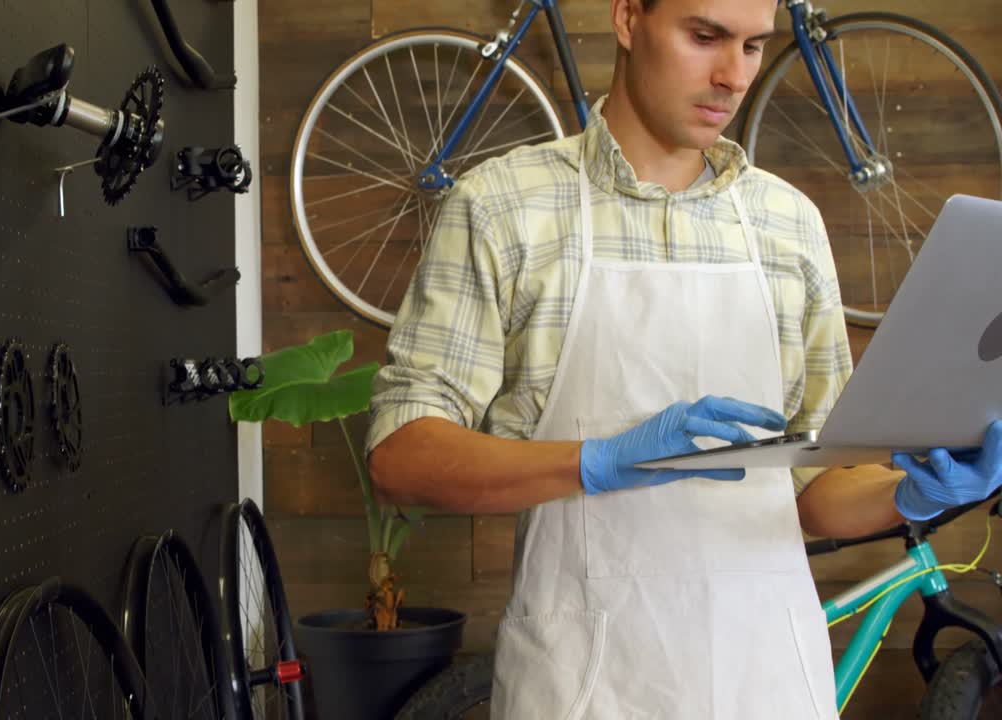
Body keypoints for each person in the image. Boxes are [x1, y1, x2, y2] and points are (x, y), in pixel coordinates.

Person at [364, 0, 1002, 717]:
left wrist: (913, 494)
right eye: (705, 37)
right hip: (587, 682)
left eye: (755, 47)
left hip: (768, 677)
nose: (733, 76)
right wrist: (594, 462)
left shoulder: (787, 223)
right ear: (629, 18)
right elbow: (400, 457)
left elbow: (816, 494)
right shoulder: (504, 208)